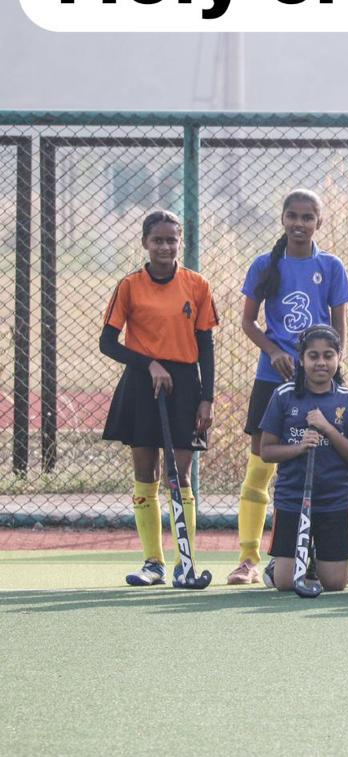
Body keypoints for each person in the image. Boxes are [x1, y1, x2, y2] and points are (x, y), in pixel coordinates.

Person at [229, 189, 348, 586]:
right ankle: (249, 558)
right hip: (273, 378)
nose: (300, 223)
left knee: (325, 463)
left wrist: (328, 370)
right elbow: (248, 322)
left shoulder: (331, 266)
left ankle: (328, 556)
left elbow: (339, 329)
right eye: (293, 216)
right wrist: (273, 352)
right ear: (282, 219)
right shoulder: (265, 265)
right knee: (262, 466)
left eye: (308, 217)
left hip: (318, 381)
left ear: (319, 222)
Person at [100, 210, 217, 587]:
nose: (165, 247)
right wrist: (149, 364)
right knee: (145, 473)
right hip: (142, 384)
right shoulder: (129, 286)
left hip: (184, 385)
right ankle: (153, 563)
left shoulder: (197, 284)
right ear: (145, 243)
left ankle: (186, 561)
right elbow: (107, 343)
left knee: (179, 474)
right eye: (157, 240)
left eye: (171, 240)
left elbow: (206, 345)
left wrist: (207, 398)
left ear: (179, 242)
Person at [258, 325, 348, 593]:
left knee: (335, 585)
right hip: (293, 498)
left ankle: (315, 558)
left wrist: (328, 429)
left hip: (334, 500)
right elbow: (266, 451)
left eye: (328, 355)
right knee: (285, 584)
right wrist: (299, 448)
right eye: (313, 356)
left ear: (338, 357)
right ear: (301, 359)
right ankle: (280, 565)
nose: (321, 362)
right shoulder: (283, 396)